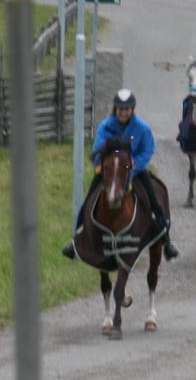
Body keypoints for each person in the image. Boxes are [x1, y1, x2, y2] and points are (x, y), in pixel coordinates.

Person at [62, 89, 179, 260]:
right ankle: (76, 240)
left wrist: (133, 166)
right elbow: (97, 150)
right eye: (120, 109)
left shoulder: (142, 128)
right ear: (115, 109)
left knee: (153, 201)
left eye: (127, 109)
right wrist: (102, 165)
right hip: (111, 172)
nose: (123, 112)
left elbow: (147, 150)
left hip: (134, 170)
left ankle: (166, 240)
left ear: (132, 110)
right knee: (89, 202)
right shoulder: (105, 126)